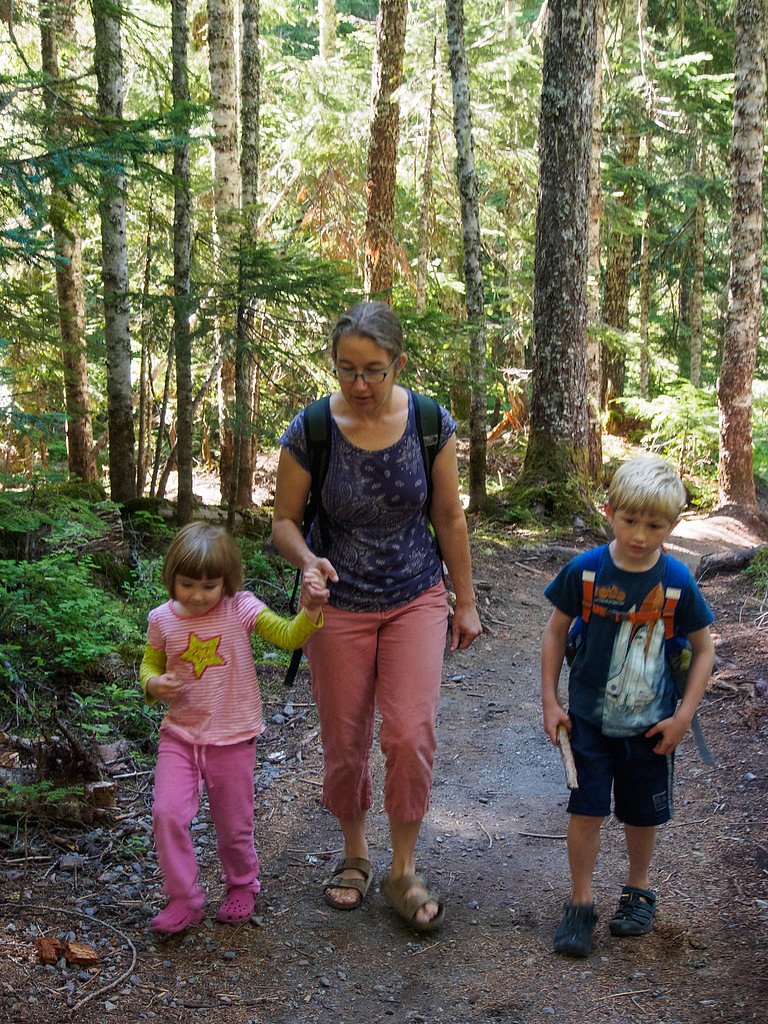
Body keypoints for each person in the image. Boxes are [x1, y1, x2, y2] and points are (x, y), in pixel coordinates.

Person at [272, 301, 482, 931]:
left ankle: (403, 868)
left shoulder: (428, 422)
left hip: (416, 595)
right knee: (344, 738)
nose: (359, 384)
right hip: (337, 605)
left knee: (411, 733)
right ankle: (355, 854)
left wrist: (464, 600)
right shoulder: (310, 429)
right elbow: (283, 521)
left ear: (399, 364)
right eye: (346, 370)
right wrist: (308, 560)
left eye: (373, 371)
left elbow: (449, 518)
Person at [540, 454, 715, 957]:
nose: (640, 535)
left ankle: (638, 892)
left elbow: (704, 651)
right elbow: (554, 634)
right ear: (609, 510)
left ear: (673, 524)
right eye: (630, 520)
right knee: (586, 811)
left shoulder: (678, 580)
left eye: (654, 525)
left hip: (651, 725)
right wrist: (551, 702)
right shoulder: (586, 571)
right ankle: (580, 903)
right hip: (588, 721)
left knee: (641, 815)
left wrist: (682, 717)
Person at [140, 522, 327, 934]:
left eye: (210, 585)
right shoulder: (162, 619)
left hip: (233, 737)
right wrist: (154, 684)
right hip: (180, 735)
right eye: (188, 584)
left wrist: (310, 609)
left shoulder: (238, 607)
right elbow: (150, 663)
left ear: (227, 582)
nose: (198, 594)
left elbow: (287, 635)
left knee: (233, 823)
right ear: (172, 578)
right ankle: (184, 898)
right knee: (166, 813)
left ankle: (242, 883)